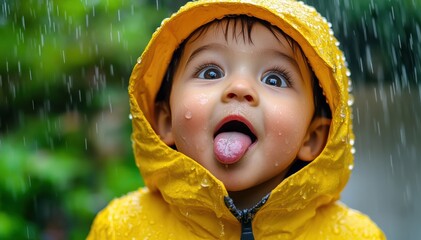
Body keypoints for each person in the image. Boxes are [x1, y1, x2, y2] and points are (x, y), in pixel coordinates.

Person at [88, 0, 385, 239]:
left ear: (313, 138)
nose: (240, 89)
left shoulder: (356, 236)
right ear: (164, 121)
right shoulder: (120, 230)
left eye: (274, 78)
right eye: (211, 72)